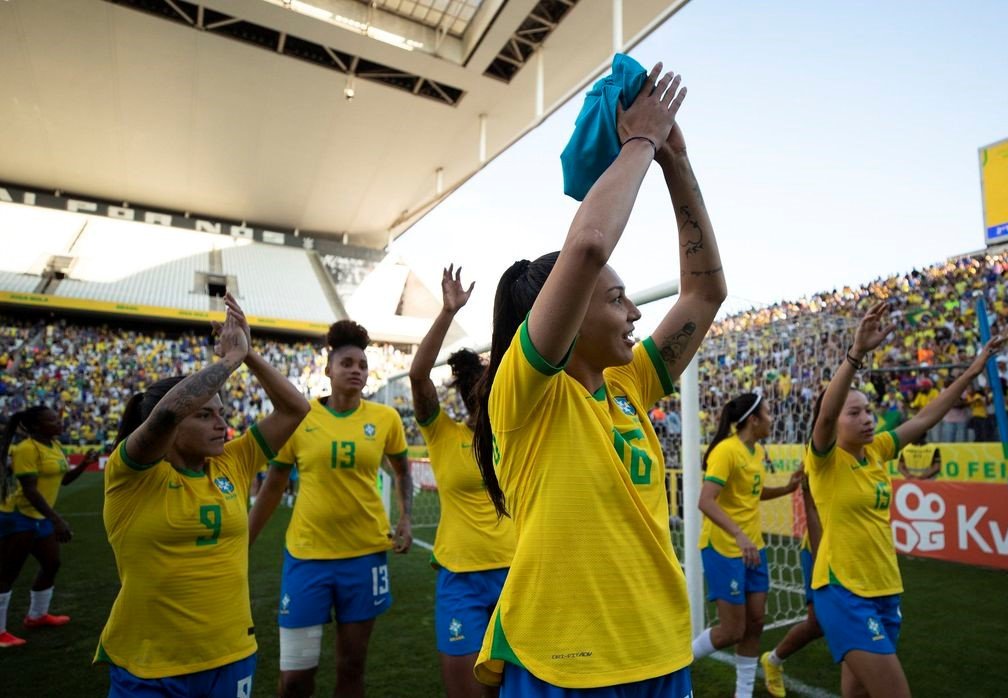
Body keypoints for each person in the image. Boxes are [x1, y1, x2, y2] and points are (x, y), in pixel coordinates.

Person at [472, 64, 726, 694]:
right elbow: (586, 246)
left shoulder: (628, 385)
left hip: (661, 651)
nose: (636, 311)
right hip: (565, 662)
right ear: (567, 310)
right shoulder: (525, 393)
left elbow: (705, 293)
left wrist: (676, 163)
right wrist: (640, 139)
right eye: (616, 299)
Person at [94, 294, 309, 695]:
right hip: (148, 663)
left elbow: (295, 408)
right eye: (205, 415)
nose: (221, 425)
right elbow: (168, 412)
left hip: (230, 654)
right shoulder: (131, 474)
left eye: (223, 414)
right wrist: (227, 361)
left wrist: (249, 356)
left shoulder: (232, 462)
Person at [807, 301, 1002, 697]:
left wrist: (971, 372)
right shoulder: (824, 459)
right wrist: (856, 354)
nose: (867, 419)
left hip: (885, 589)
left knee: (857, 693)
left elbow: (926, 418)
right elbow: (825, 418)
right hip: (844, 590)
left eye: (869, 411)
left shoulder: (878, 449)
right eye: (854, 413)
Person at [249, 319, 413, 698]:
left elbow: (403, 471)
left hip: (366, 555)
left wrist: (405, 518)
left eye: (362, 365)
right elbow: (274, 485)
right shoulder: (300, 417)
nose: (356, 370)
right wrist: (244, 539)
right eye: (347, 363)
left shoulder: (385, 418)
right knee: (295, 679)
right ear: (329, 370)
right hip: (308, 558)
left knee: (351, 668)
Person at [408, 265, 515, 698]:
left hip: (516, 573)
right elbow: (418, 376)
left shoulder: (514, 432)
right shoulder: (441, 431)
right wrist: (448, 313)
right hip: (461, 580)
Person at [691, 393, 802, 698]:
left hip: (754, 548)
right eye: (768, 413)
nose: (772, 418)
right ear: (753, 420)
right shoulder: (727, 451)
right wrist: (739, 535)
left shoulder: (755, 452)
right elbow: (706, 501)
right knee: (732, 630)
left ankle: (743, 694)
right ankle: (679, 663)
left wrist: (786, 489)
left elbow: (752, 493)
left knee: (755, 623)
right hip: (724, 547)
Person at [0, 407, 95, 647]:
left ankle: (37, 616)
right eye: (52, 419)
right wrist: (56, 519)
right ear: (35, 427)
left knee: (51, 564)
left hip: (40, 518)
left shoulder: (55, 446)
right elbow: (30, 490)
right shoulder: (26, 449)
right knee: (7, 573)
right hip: (18, 516)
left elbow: (63, 480)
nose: (59, 421)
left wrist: (84, 464)